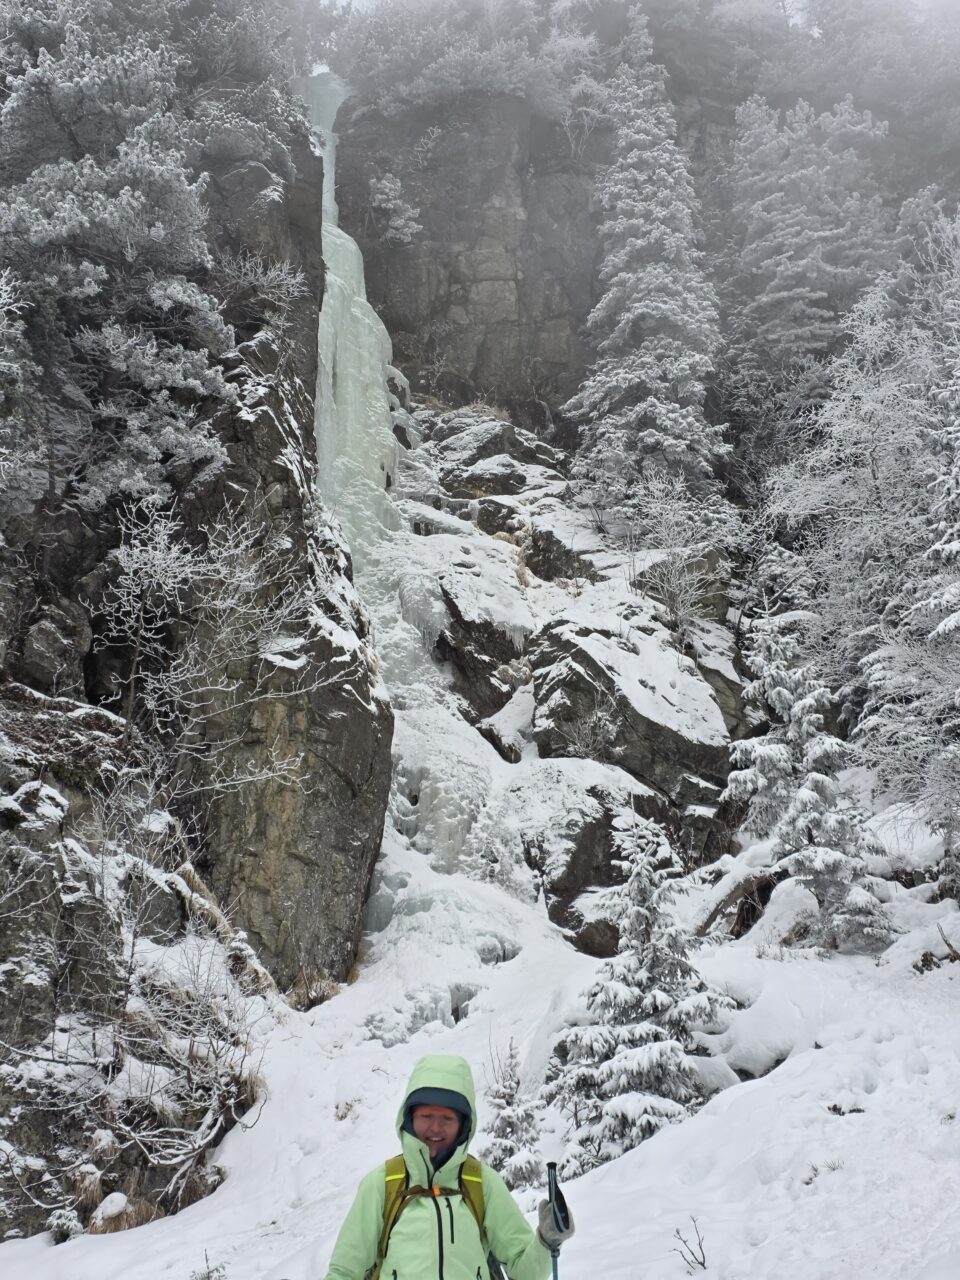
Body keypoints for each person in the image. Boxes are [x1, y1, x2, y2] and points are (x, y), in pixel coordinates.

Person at [325, 1053, 575, 1280]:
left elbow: (524, 1272)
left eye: (447, 1118)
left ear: (463, 1124)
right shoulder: (383, 1183)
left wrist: (546, 1241)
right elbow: (344, 1272)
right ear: (410, 1118)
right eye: (426, 1116)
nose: (436, 1128)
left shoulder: (482, 1183)